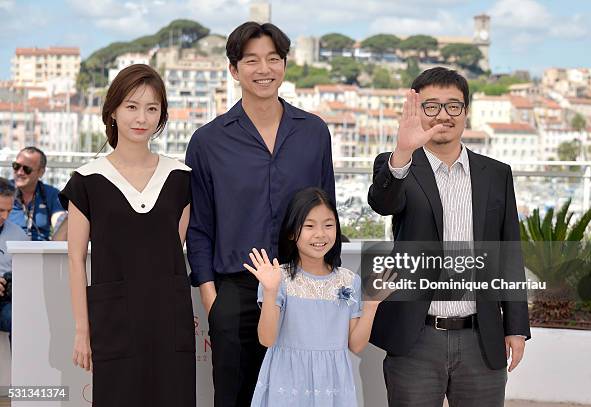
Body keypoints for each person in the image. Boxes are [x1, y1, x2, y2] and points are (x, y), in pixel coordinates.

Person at [186, 22, 335, 406]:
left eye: (273, 58)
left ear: (285, 65)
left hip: (302, 286)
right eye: (251, 60)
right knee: (235, 398)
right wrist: (211, 300)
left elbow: (328, 214)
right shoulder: (208, 141)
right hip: (235, 293)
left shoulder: (314, 132)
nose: (263, 69)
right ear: (234, 70)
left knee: (301, 397)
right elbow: (200, 228)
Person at [368, 67, 530, 407]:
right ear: (416, 111)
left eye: (453, 106)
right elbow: (382, 203)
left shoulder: (496, 174)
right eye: (431, 106)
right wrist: (403, 151)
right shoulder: (397, 164)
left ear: (466, 113)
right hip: (416, 336)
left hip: (480, 336)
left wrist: (515, 326)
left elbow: (509, 253)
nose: (443, 114)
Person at [60, 64, 195, 407]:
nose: (141, 118)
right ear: (113, 111)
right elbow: (76, 260)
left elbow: (173, 248)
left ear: (162, 116)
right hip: (114, 320)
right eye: (132, 106)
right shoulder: (87, 179)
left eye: (152, 109)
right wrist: (82, 329)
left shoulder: (180, 178)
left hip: (168, 318)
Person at [246, 188, 394, 407]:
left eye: (328, 225)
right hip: (287, 384)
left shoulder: (348, 280)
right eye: (309, 226)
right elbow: (266, 339)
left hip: (332, 387)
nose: (320, 234)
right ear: (291, 232)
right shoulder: (279, 279)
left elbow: (356, 345)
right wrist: (269, 291)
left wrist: (371, 304)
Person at [9, 146, 65, 241]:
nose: (19, 172)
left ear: (41, 172)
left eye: (27, 169)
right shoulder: (4, 190)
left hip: (40, 251)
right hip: (8, 249)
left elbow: (60, 221)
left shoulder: (51, 193)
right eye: (16, 166)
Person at [0, 177, 29, 345]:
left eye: (9, 211)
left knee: (21, 318)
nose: (4, 216)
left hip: (7, 303)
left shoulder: (18, 235)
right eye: (0, 210)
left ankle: (22, 371)